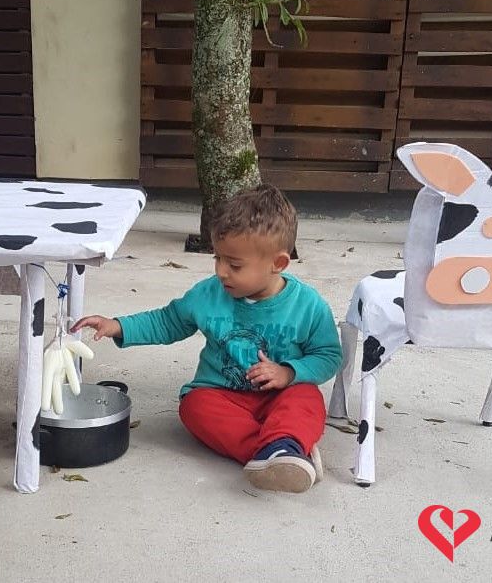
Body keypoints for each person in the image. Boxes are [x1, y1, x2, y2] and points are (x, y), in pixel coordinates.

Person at [72, 184, 342, 492]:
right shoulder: (208, 294)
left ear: (277, 264)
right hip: (221, 393)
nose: (222, 272)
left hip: (280, 393)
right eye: (218, 258)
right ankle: (284, 452)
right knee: (194, 406)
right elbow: (168, 321)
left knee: (306, 397)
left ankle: (283, 449)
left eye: (234, 265)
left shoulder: (308, 305)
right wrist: (118, 326)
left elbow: (328, 356)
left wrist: (288, 373)